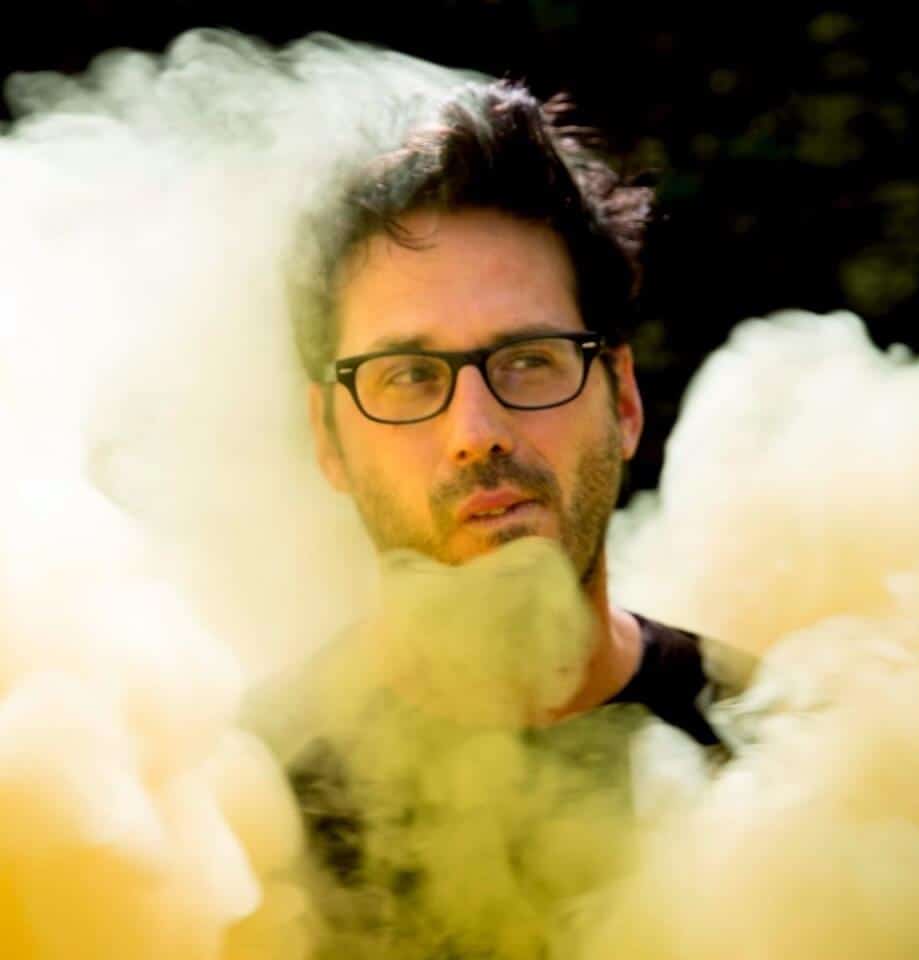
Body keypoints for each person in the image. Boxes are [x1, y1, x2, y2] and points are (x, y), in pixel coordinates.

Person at [258, 75, 755, 956]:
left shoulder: (782, 751)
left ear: (623, 399)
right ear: (329, 438)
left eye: (528, 360)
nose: (476, 433)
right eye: (408, 377)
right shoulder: (239, 813)